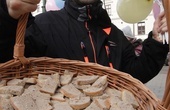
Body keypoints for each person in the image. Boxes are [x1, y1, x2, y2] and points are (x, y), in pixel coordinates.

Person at [0, 0, 169, 84]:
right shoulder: (44, 25)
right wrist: (7, 16)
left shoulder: (114, 33)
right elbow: (8, 63)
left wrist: (156, 39)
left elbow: (134, 75)